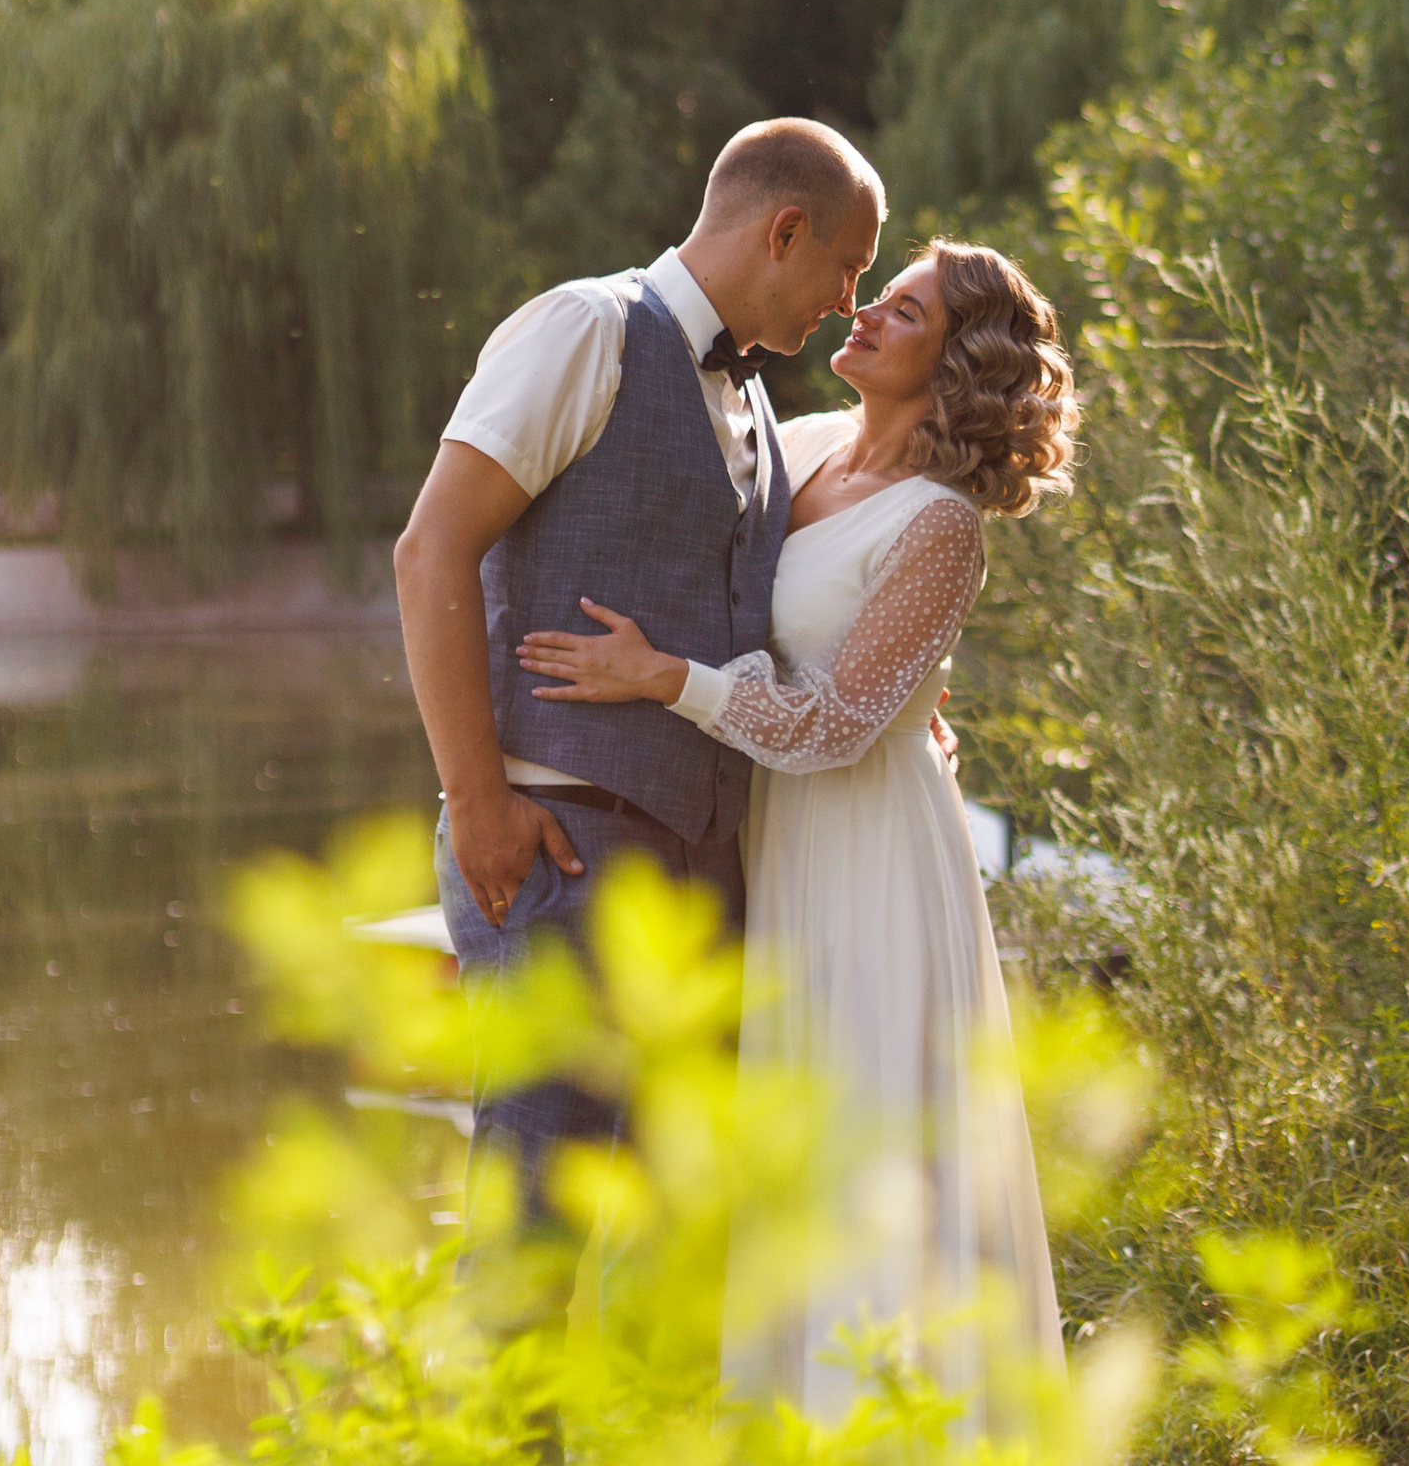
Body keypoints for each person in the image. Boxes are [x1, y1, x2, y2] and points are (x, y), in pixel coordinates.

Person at [513, 239, 1079, 1433]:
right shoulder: (804, 441)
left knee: (865, 1135)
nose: (862, 311)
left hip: (865, 851)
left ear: (957, 360)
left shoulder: (941, 523)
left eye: (904, 307)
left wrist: (664, 678)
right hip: (762, 835)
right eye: (876, 292)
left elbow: (831, 724)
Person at [394, 117, 884, 1239]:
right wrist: (479, 804)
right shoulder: (588, 328)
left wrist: (892, 703)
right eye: (846, 268)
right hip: (559, 850)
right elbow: (430, 551)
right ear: (785, 229)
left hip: (704, 872)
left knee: (675, 1255)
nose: (848, 303)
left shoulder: (755, 403)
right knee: (534, 1233)